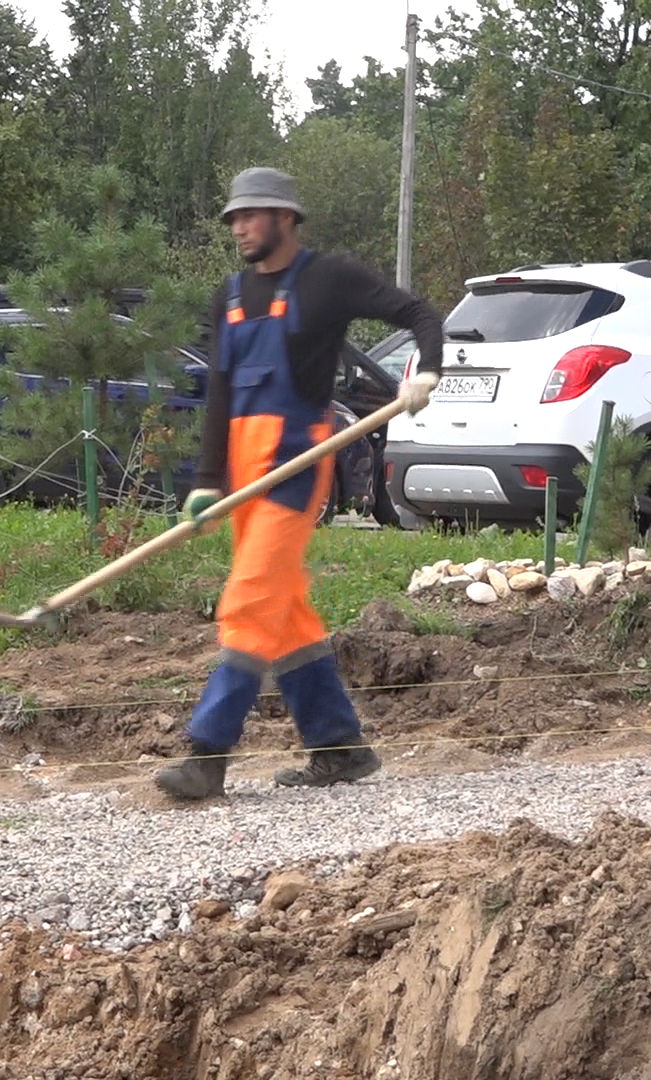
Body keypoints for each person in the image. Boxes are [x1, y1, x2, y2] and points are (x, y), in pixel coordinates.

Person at [155, 167, 443, 801]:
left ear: (285, 217)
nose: (239, 227)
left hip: (294, 463)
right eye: (233, 217)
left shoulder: (328, 279)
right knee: (284, 615)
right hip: (241, 468)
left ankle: (207, 756)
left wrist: (426, 370)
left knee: (249, 602)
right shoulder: (229, 295)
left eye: (251, 215)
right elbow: (223, 393)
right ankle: (339, 747)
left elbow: (418, 312)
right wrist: (206, 480)